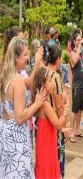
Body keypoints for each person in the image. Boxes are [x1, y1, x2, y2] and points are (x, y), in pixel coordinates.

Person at [0, 36, 46, 178]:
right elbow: (20, 117)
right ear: (16, 57)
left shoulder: (6, 76)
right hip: (16, 139)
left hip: (7, 136)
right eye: (25, 55)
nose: (27, 59)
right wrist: (37, 103)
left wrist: (37, 61)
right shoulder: (18, 81)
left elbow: (29, 83)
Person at [33, 67, 70, 179]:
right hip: (47, 148)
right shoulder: (45, 104)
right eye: (49, 81)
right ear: (44, 85)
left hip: (46, 145)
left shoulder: (43, 102)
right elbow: (58, 123)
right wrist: (66, 109)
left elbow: (51, 123)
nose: (52, 83)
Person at [47, 44, 67, 178]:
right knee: (58, 158)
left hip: (44, 121)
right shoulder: (56, 77)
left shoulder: (43, 72)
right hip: (55, 122)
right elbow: (59, 106)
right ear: (58, 58)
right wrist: (63, 128)